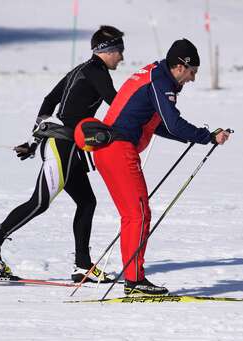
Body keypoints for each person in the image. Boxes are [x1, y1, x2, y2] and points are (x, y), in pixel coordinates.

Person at [0, 25, 125, 283]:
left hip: (65, 146)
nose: (121, 57)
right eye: (119, 51)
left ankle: (82, 266)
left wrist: (34, 140)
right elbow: (117, 103)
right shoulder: (96, 72)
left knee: (87, 202)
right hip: (60, 146)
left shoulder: (80, 70)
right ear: (106, 51)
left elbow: (48, 100)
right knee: (40, 202)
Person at [92, 38, 231, 295]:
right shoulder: (161, 81)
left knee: (135, 215)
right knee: (139, 215)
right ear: (180, 66)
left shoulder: (155, 74)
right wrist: (206, 136)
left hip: (109, 150)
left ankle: (133, 278)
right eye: (192, 72)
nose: (192, 78)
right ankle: (134, 281)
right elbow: (173, 123)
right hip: (118, 151)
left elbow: (157, 125)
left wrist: (197, 137)